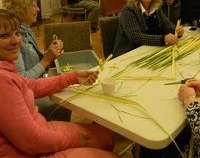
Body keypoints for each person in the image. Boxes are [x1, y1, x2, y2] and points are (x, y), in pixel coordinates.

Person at [0, 9, 118, 157]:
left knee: (106, 136)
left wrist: (73, 77)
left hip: (41, 128)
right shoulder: (2, 81)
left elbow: (29, 85)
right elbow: (32, 141)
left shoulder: (6, 66)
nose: (15, 41)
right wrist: (75, 140)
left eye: (17, 33)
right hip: (31, 152)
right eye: (4, 36)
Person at [0, 0, 70, 121]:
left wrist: (49, 52)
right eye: (34, 5)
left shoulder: (25, 30)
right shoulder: (13, 41)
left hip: (36, 84)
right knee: (65, 98)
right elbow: (22, 79)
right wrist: (47, 59)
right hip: (25, 94)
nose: (38, 9)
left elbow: (31, 59)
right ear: (20, 11)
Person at [113, 0, 184, 58]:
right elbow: (135, 37)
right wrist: (163, 39)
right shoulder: (129, 10)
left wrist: (177, 31)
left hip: (150, 51)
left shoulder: (156, 8)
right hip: (128, 55)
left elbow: (168, 26)